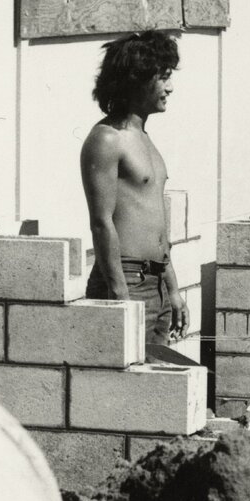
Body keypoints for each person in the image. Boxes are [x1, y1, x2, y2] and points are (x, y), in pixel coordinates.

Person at [80, 30, 189, 358]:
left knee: (157, 388)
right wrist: (120, 294)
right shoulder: (107, 139)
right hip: (126, 280)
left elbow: (157, 227)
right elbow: (101, 222)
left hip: (156, 282)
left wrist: (173, 290)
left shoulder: (145, 139)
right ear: (135, 80)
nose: (170, 88)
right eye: (162, 78)